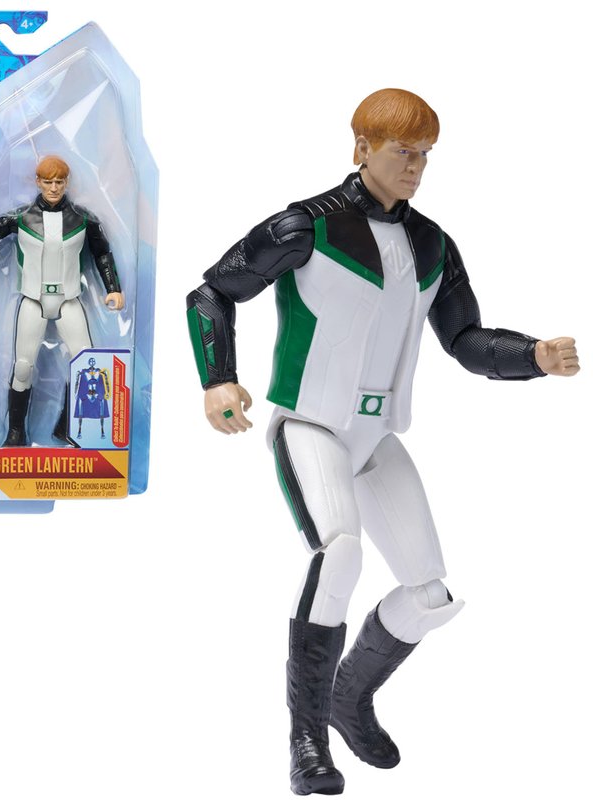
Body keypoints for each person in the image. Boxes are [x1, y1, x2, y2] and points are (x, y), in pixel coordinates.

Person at [186, 88, 579, 796]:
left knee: (429, 594)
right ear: (362, 148)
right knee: (339, 553)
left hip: (375, 439)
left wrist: (533, 356)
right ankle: (306, 739)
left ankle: (348, 697)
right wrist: (218, 379)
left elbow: (464, 338)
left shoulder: (433, 244)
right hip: (310, 424)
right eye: (403, 152)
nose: (416, 167)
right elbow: (212, 293)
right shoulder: (306, 226)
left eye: (425, 155)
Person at [0, 155, 123, 447]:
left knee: (87, 365)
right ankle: (15, 432)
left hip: (69, 300)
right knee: (23, 367)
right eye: (48, 182)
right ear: (38, 182)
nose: (54, 188)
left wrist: (113, 288)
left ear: (66, 182)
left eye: (59, 181)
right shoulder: (21, 218)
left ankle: (68, 426)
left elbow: (102, 253)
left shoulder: (83, 219)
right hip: (33, 301)